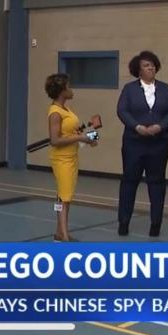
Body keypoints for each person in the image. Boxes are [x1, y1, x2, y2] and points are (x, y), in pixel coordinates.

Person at [116, 51, 168, 237]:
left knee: (157, 182)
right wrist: (137, 126)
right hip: (134, 142)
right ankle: (124, 222)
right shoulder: (129, 89)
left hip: (159, 143)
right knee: (129, 181)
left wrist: (160, 126)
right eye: (146, 65)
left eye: (152, 64)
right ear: (138, 70)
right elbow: (122, 110)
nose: (150, 67)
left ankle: (156, 224)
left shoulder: (165, 88)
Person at [45, 73, 96, 242]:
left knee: (65, 196)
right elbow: (55, 140)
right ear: (62, 90)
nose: (71, 89)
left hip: (72, 156)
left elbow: (70, 132)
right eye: (69, 86)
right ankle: (63, 236)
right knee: (63, 197)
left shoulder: (66, 109)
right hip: (62, 160)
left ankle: (60, 232)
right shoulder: (55, 113)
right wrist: (80, 138)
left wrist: (89, 137)